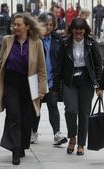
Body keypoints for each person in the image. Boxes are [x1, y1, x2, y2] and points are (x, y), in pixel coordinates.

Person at [0, 13, 47, 165]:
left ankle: (22, 144)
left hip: (30, 83)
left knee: (27, 118)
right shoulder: (7, 40)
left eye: (18, 25)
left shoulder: (37, 43)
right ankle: (15, 150)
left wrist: (42, 89)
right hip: (11, 82)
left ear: (27, 26)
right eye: (14, 25)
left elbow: (42, 68)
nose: (15, 27)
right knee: (14, 115)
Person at [54, 18, 102, 156]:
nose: (78, 35)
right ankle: (72, 137)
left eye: (81, 32)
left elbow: (98, 65)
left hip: (87, 81)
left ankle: (81, 144)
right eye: (76, 32)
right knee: (71, 110)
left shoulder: (91, 44)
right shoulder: (65, 44)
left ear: (85, 31)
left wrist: (99, 85)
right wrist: (55, 86)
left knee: (84, 114)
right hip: (70, 81)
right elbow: (59, 66)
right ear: (72, 31)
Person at [30, 12, 67, 146]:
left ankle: (57, 134)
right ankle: (33, 132)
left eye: (51, 25)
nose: (49, 27)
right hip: (36, 79)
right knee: (36, 107)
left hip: (52, 79)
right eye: (46, 24)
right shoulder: (34, 39)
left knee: (53, 105)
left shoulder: (57, 39)